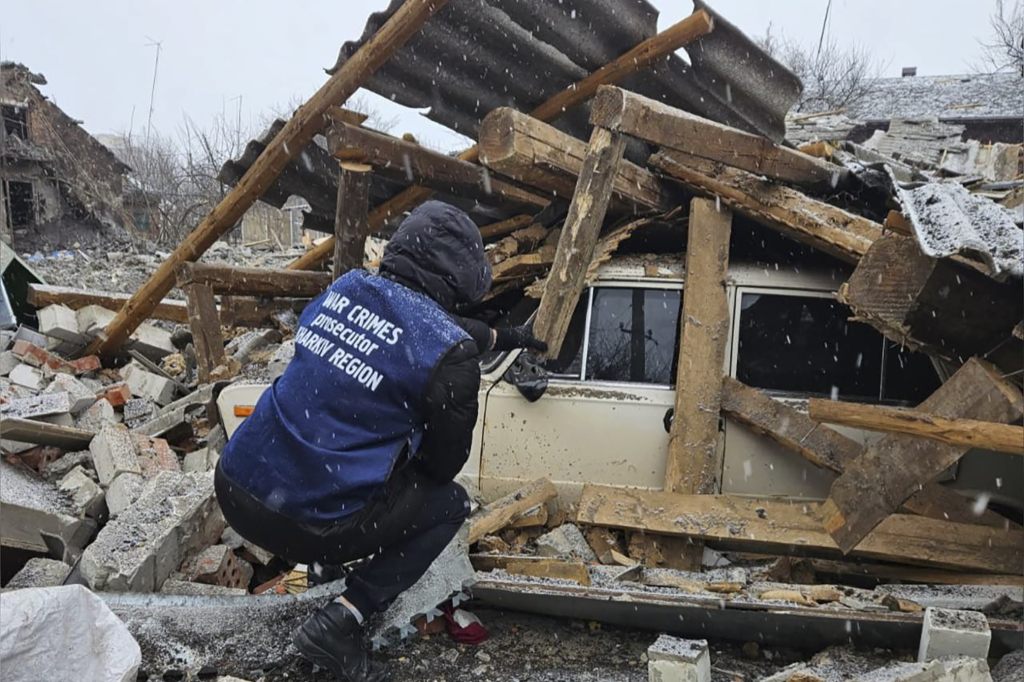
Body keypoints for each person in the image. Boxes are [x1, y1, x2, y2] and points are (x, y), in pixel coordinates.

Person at [214, 201, 545, 681]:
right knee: (447, 504)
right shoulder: (449, 358)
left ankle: (324, 572)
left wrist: (500, 336)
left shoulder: (346, 288)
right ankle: (341, 618)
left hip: (236, 483)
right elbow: (441, 465)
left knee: (335, 448)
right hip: (304, 524)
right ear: (463, 278)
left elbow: (406, 320)